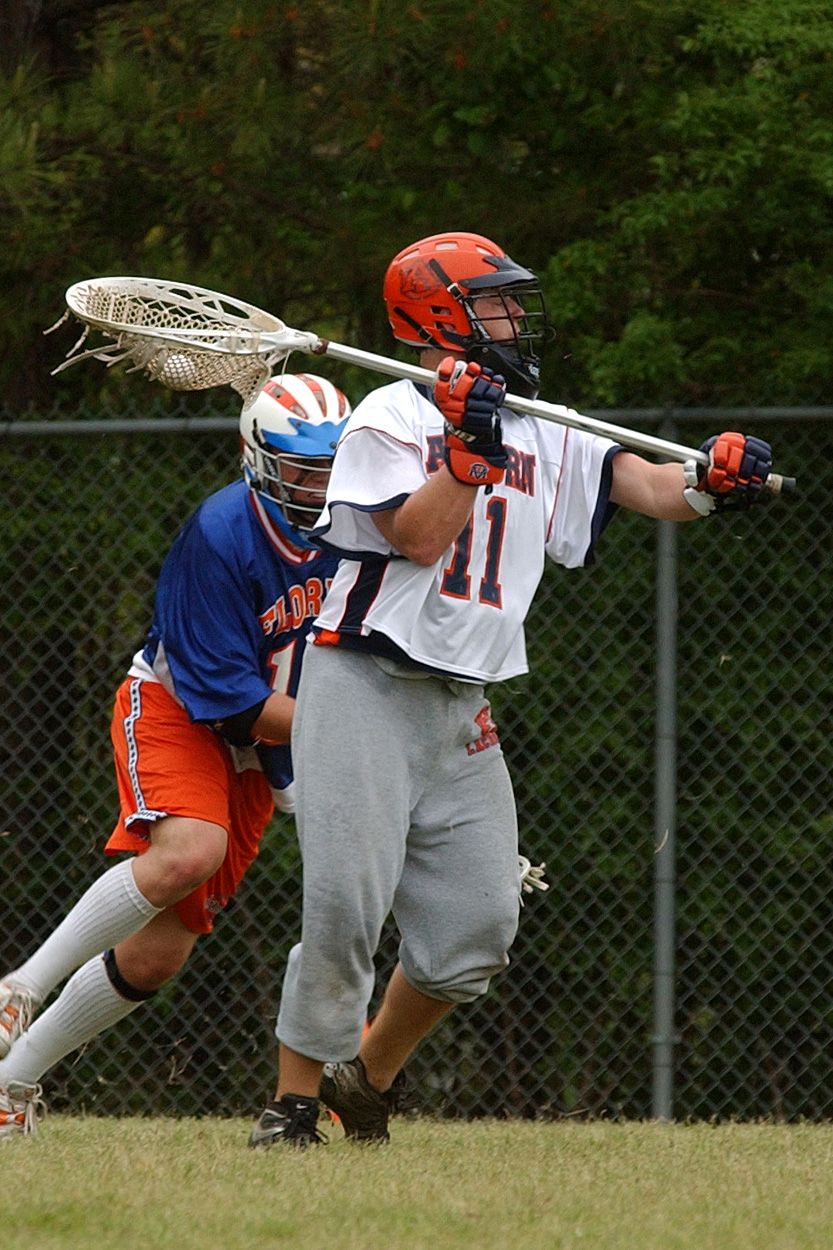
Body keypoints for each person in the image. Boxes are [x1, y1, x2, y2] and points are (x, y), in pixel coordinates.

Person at [248, 230, 773, 1149]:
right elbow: (417, 539)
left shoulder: (539, 421)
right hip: (363, 680)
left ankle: (363, 1078)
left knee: (475, 930)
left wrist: (710, 481)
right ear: (438, 318)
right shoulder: (386, 417)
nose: (512, 320)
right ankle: (290, 1108)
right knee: (344, 909)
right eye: (493, 305)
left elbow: (650, 486)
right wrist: (466, 447)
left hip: (462, 703)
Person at [0, 373, 352, 1139]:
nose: (322, 486)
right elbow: (231, 700)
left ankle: (10, 1083)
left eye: (334, 466)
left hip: (272, 745)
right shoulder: (222, 533)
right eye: (304, 470)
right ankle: (18, 988)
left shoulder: (362, 526)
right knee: (190, 850)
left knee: (156, 958)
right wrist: (355, 732)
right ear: (260, 461)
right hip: (185, 710)